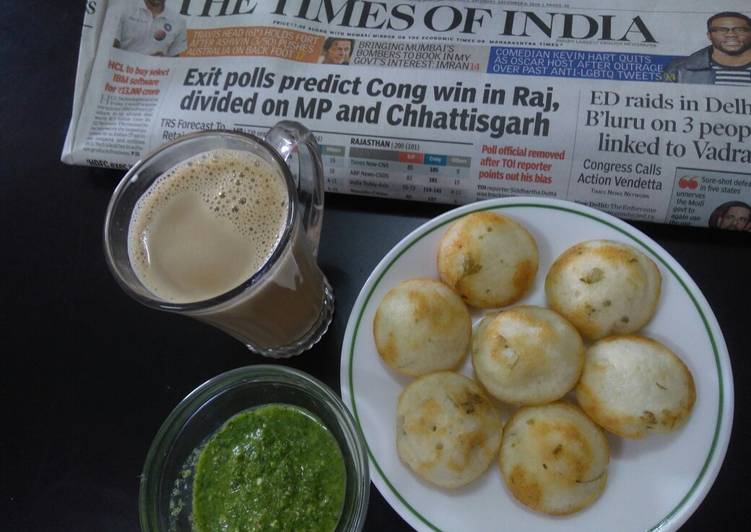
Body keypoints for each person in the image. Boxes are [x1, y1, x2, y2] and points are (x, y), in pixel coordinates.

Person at [662, 12, 751, 85]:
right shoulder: (677, 69)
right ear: (709, 36)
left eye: (740, 30)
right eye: (721, 30)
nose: (731, 35)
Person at [113, 0, 187, 57]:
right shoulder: (123, 9)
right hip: (122, 73)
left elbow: (174, 60)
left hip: (155, 74)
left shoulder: (179, 21)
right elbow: (110, 49)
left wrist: (163, 61)